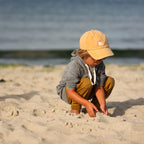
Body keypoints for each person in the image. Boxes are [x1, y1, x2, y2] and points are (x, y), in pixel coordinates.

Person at [56, 30, 115, 117]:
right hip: (68, 92)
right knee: (86, 82)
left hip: (88, 89)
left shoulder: (100, 64)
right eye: (97, 57)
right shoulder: (75, 65)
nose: (100, 61)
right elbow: (70, 91)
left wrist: (103, 103)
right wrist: (86, 103)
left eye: (102, 58)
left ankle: (96, 106)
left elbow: (99, 87)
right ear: (85, 53)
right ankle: (75, 108)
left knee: (109, 81)